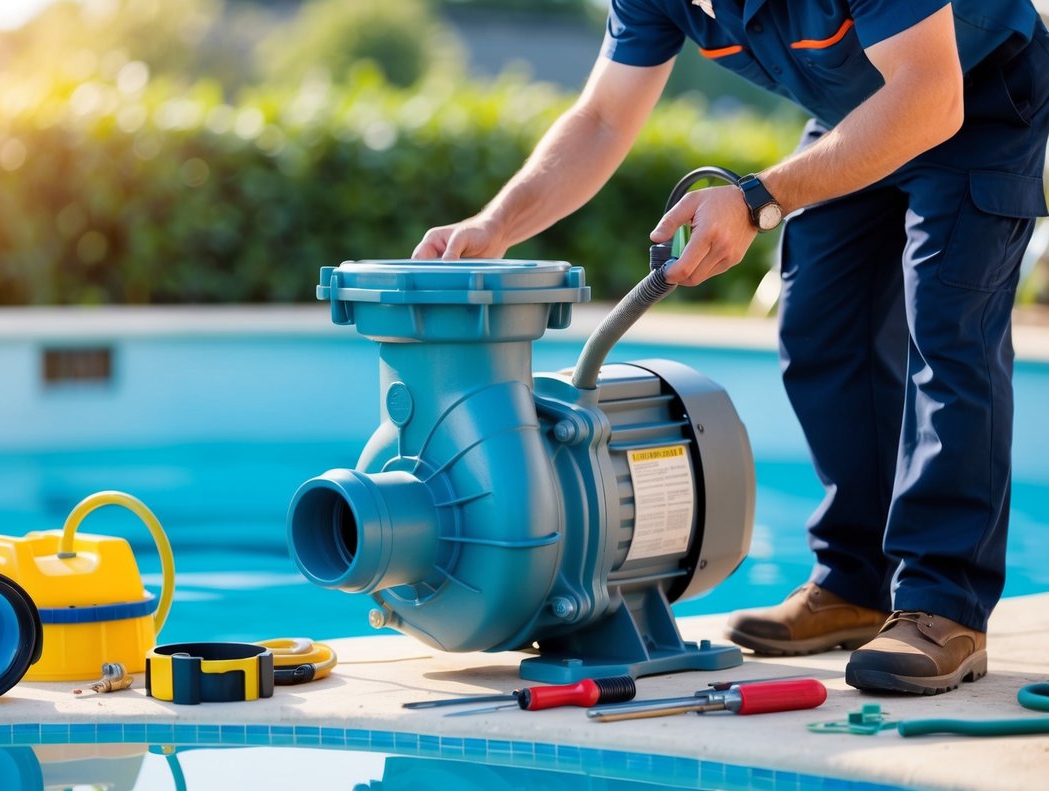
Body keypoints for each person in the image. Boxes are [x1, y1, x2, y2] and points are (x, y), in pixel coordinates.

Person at [413, 0, 1049, 695]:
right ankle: (855, 585)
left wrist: (755, 199)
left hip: (974, 96)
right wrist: (497, 222)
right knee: (820, 334)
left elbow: (928, 97)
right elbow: (600, 120)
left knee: (947, 339)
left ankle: (942, 607)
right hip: (855, 114)